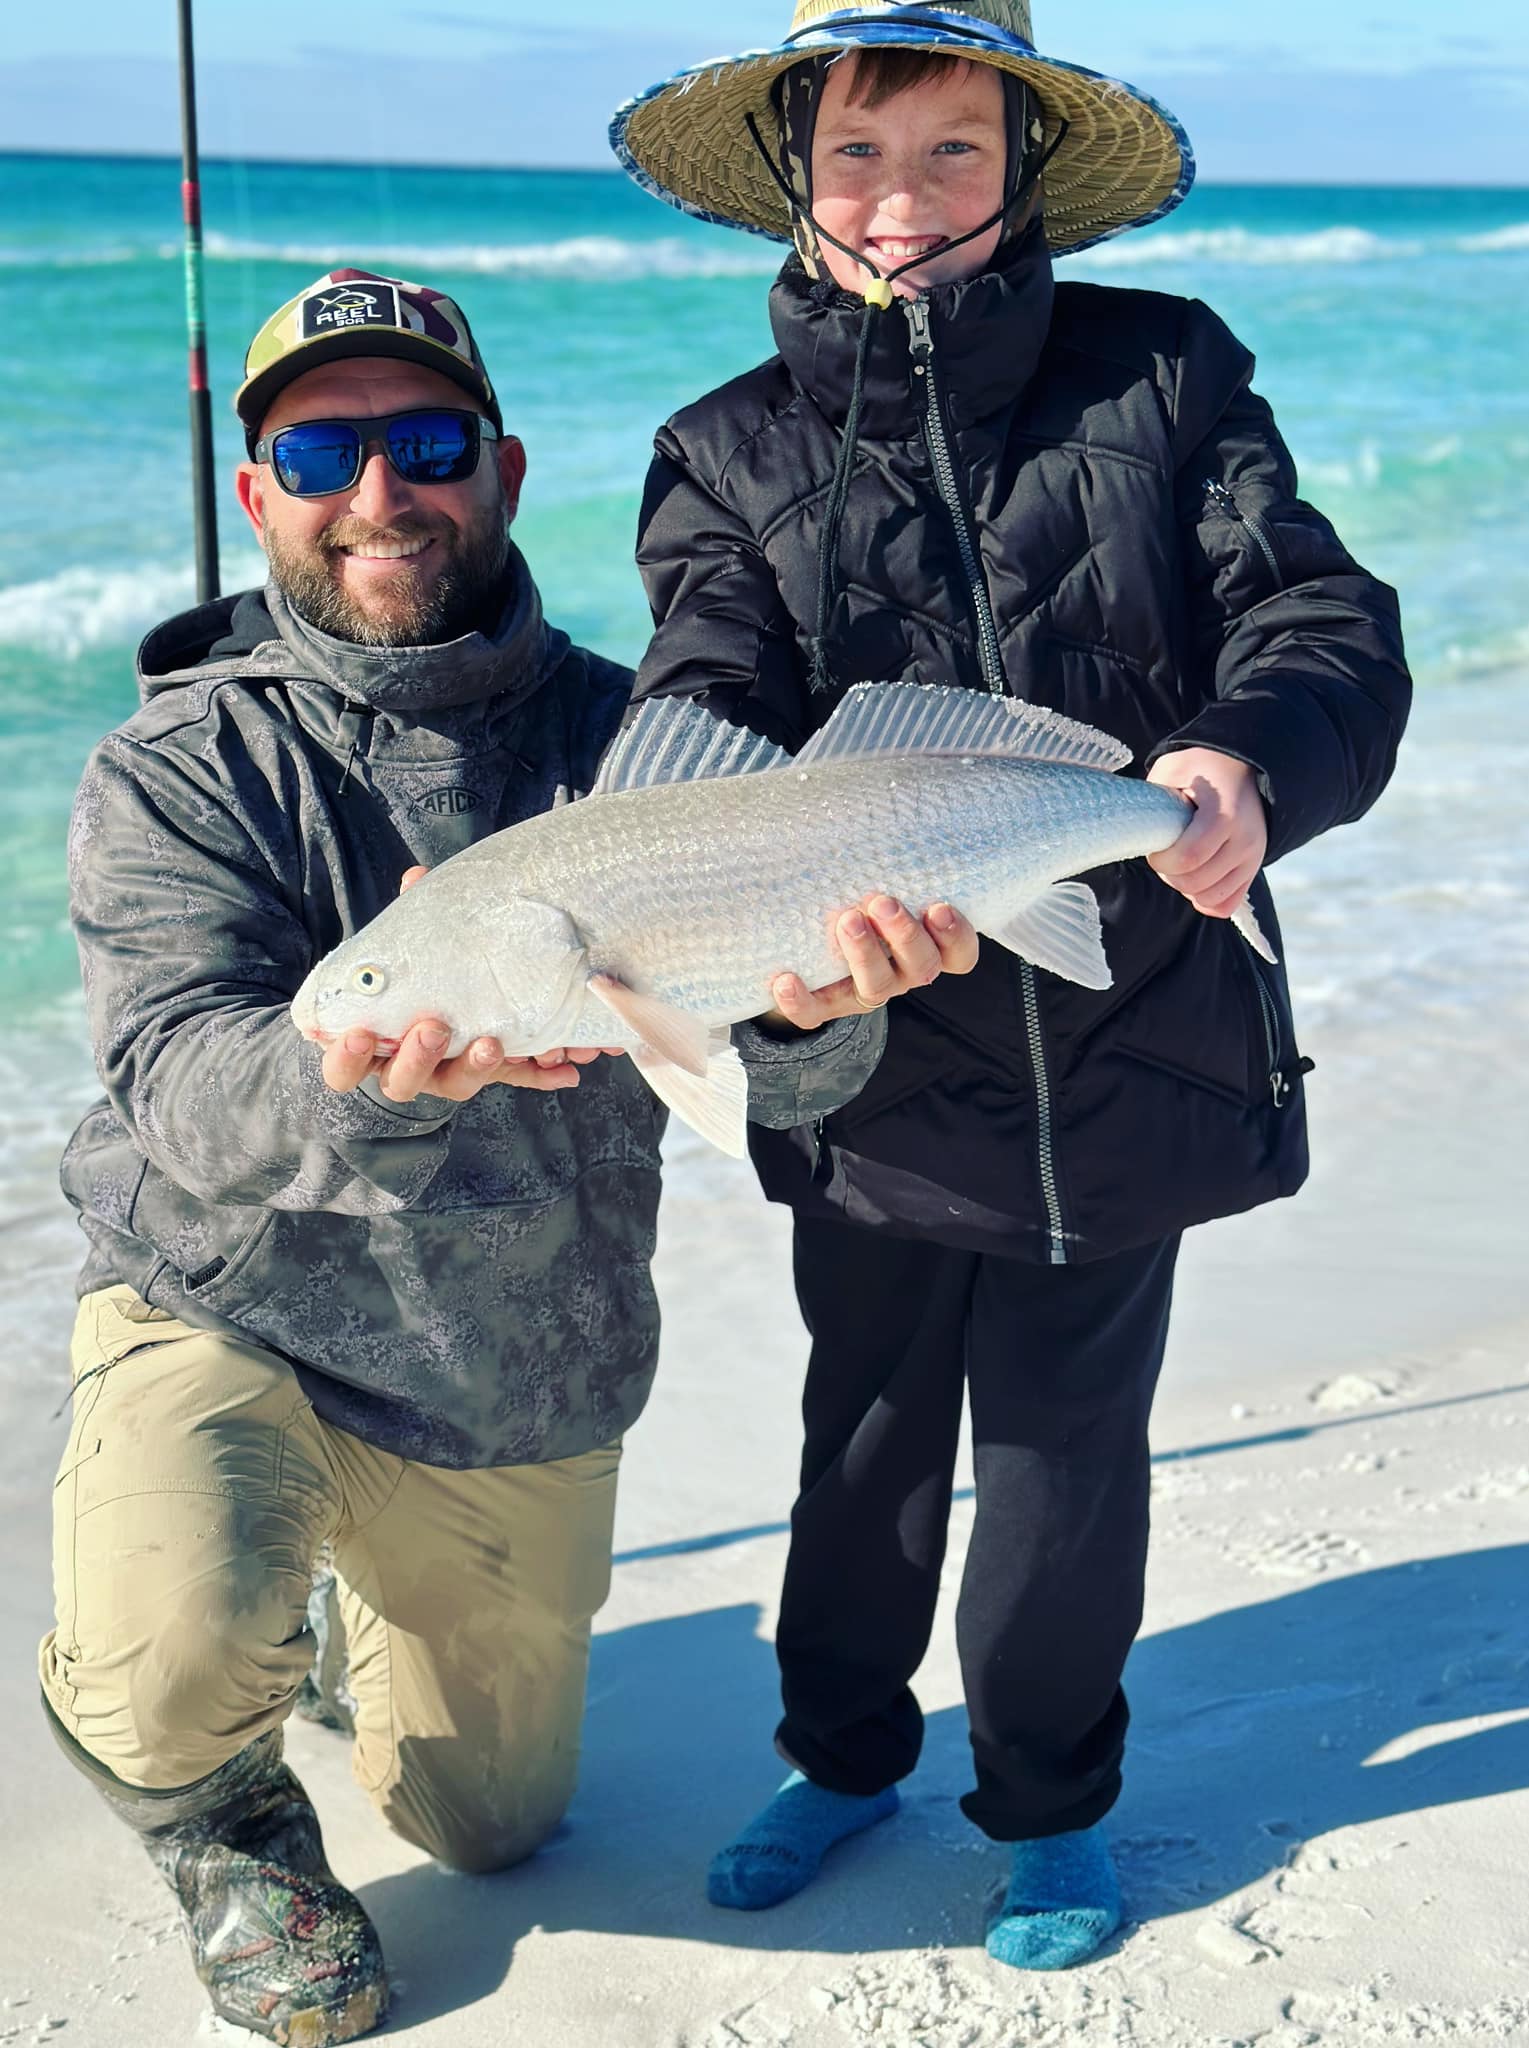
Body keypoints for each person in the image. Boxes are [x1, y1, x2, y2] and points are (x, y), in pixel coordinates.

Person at [41, 266, 977, 2045]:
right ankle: (223, 1820)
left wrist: (830, 1008)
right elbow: (177, 1086)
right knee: (168, 1660)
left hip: (514, 1371)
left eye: (425, 440)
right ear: (259, 498)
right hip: (234, 1324)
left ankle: (332, 1631)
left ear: (504, 467)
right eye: (320, 451)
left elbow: (781, 1087)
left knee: (491, 1831)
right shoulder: (176, 766)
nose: (377, 494)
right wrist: (380, 1088)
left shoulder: (647, 738)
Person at [613, 0, 1412, 1972]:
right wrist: (753, 929)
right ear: (795, 167)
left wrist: (1248, 758)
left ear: (1026, 166)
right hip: (868, 1044)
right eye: (864, 155)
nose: (903, 200)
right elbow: (700, 695)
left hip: (1134, 1024)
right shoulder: (723, 451)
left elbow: (1316, 610)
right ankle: (839, 1749)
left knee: (1068, 1454)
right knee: (865, 1436)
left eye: (955, 151)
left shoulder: (1164, 377)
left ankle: (1052, 1805)